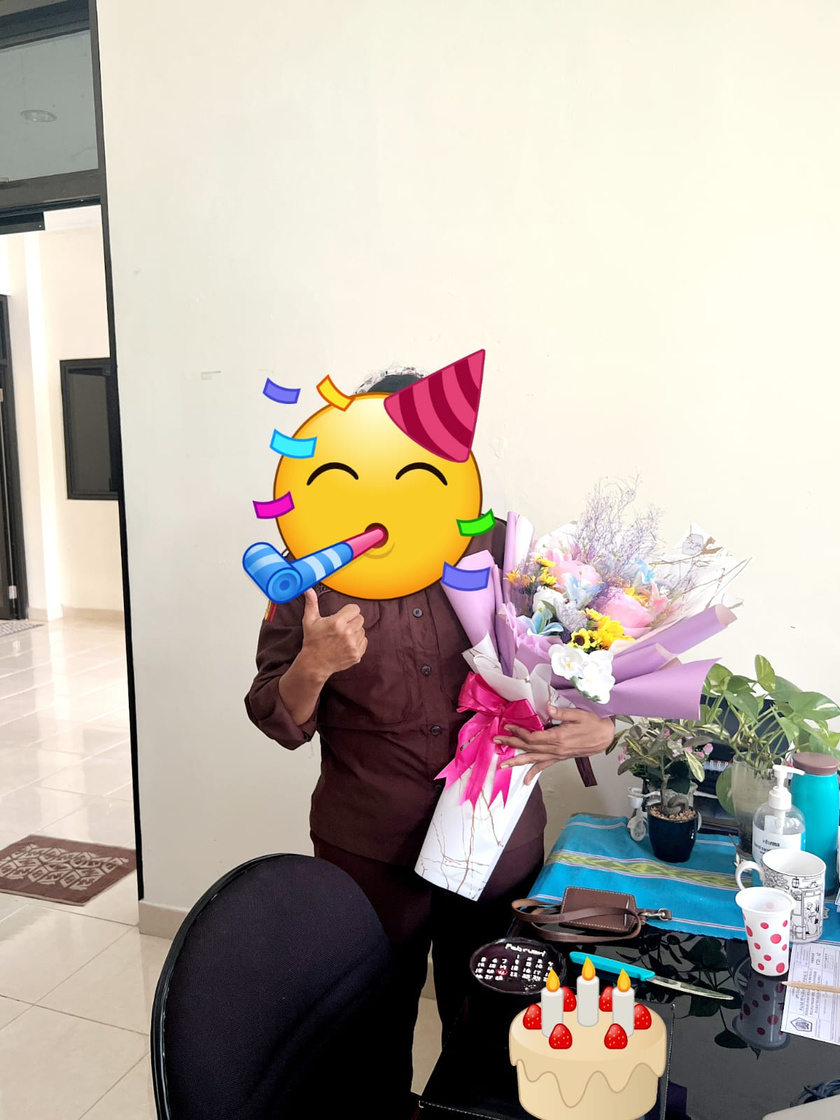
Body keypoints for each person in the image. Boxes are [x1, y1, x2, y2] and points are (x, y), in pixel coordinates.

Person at [245, 371, 614, 1116]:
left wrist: (602, 727)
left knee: (492, 1027)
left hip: (496, 838)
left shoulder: (508, 552)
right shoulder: (309, 565)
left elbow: (592, 664)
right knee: (367, 1027)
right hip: (369, 846)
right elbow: (273, 715)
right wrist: (314, 663)